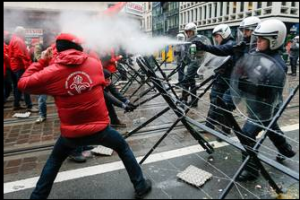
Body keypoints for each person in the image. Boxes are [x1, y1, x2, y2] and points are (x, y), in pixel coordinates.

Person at [18, 33, 152, 199]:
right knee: (123, 148)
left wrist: (43, 61)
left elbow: (23, 84)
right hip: (101, 129)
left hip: (71, 134)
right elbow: (105, 88)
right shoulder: (94, 64)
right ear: (78, 47)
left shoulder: (51, 72)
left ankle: (37, 196)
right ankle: (140, 185)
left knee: (54, 161)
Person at [234, 19, 296, 181]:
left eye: (261, 39)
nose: (257, 42)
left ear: (274, 41)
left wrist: (247, 84)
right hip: (255, 104)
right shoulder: (255, 55)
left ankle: (251, 171)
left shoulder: (278, 64)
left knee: (246, 135)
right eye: (257, 38)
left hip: (266, 107)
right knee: (272, 128)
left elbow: (268, 92)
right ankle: (285, 149)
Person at [192, 24, 236, 138]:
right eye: (215, 37)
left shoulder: (231, 44)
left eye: (217, 36)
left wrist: (204, 47)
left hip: (228, 81)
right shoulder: (223, 45)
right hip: (220, 79)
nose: (216, 39)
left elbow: (221, 50)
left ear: (224, 34)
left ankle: (226, 129)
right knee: (214, 100)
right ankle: (209, 125)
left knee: (224, 105)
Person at [9, 26, 38, 112]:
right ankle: (29, 106)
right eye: (24, 32)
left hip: (14, 66)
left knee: (18, 86)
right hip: (20, 67)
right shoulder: (18, 40)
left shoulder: (14, 39)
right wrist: (27, 67)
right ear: (20, 32)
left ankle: (16, 105)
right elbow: (20, 55)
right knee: (25, 85)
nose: (25, 34)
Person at [181, 22, 208, 107]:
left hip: (195, 63)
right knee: (191, 82)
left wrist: (195, 54)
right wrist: (184, 61)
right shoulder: (188, 40)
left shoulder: (198, 40)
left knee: (185, 81)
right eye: (187, 32)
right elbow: (187, 53)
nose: (188, 33)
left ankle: (184, 100)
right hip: (191, 63)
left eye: (190, 32)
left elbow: (200, 53)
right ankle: (194, 101)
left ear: (194, 31)